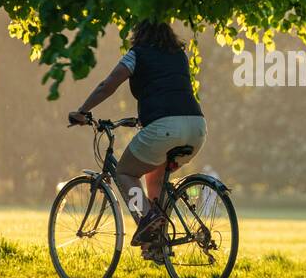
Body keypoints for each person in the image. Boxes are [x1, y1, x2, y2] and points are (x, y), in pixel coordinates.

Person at [69, 21, 206, 262]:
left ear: (139, 34)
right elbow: (169, 88)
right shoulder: (180, 54)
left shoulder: (137, 54)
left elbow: (108, 84)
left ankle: (148, 219)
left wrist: (83, 110)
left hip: (165, 127)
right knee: (155, 176)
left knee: (124, 172)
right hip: (197, 127)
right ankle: (157, 244)